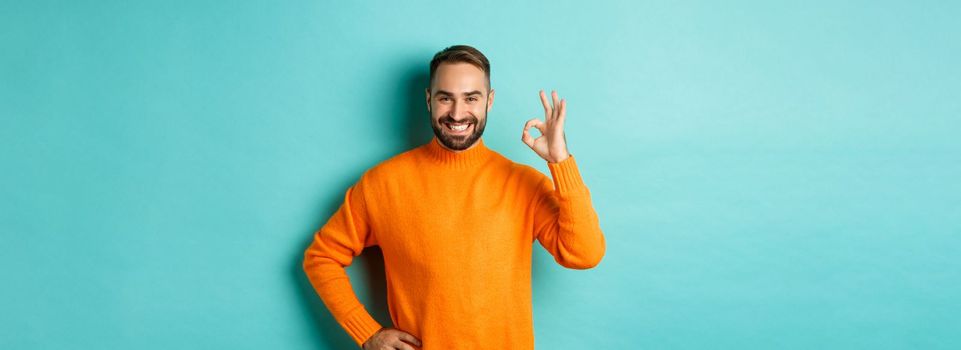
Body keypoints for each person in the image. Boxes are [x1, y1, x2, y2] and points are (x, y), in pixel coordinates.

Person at [303, 44, 606, 350]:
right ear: (428, 100)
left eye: (471, 98)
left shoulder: (524, 184)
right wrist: (366, 332)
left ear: (489, 101)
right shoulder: (382, 183)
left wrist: (561, 161)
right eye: (445, 98)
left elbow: (583, 254)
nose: (458, 113)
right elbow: (322, 257)